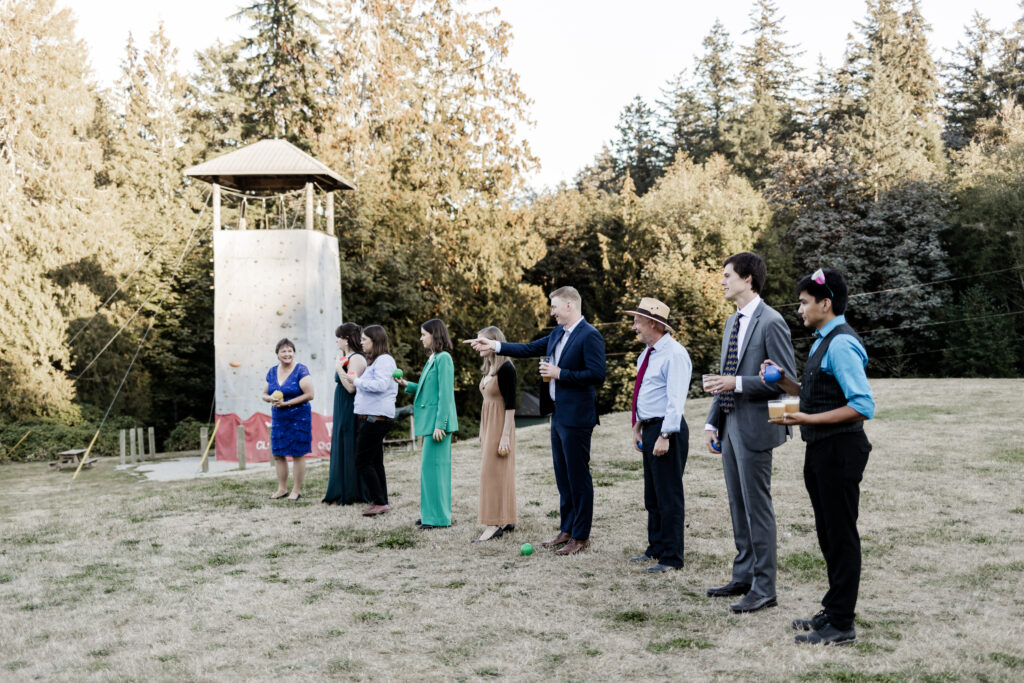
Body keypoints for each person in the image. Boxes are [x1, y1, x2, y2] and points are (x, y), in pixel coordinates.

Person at [762, 268, 874, 646]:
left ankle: (842, 624)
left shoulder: (841, 344)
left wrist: (807, 418)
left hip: (840, 450)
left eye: (804, 302)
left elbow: (862, 405)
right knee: (828, 533)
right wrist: (781, 380)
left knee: (841, 535)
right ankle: (834, 607)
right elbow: (813, 393)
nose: (800, 309)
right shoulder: (821, 341)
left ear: (826, 304)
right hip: (822, 450)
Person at [466, 286, 606, 556]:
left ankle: (580, 536)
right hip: (558, 414)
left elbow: (597, 374)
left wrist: (559, 373)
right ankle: (566, 530)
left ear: (569, 305)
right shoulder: (557, 334)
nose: (551, 312)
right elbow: (528, 348)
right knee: (563, 477)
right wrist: (494, 345)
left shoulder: (590, 335)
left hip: (578, 417)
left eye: (554, 306)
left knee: (578, 477)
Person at [703, 252, 796, 613]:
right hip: (729, 426)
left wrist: (737, 383)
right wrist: (713, 421)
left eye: (727, 275)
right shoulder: (732, 323)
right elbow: (724, 376)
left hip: (758, 427)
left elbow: (784, 379)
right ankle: (743, 575)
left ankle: (765, 587)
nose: (722, 281)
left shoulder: (771, 321)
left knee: (758, 508)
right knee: (737, 505)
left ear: (748, 280)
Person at [625, 298, 692, 573]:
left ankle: (672, 558)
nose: (634, 327)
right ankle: (656, 548)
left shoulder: (674, 354)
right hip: (650, 427)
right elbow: (646, 393)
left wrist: (665, 434)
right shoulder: (647, 354)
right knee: (652, 495)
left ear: (653, 323)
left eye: (637, 321)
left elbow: (676, 400)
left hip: (667, 429)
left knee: (668, 494)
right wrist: (638, 426)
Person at [396, 319, 459, 529]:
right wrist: (406, 384)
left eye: (424, 334)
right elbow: (428, 389)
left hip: (438, 425)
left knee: (435, 471)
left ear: (435, 335)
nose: (421, 338)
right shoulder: (433, 358)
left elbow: (445, 394)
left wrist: (441, 424)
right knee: (428, 470)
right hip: (431, 423)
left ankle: (438, 518)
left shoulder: (444, 359)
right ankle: (430, 514)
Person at [472, 326, 518, 543]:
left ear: (493, 343)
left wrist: (505, 435)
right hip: (488, 425)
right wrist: (483, 430)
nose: (477, 345)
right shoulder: (488, 367)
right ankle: (505, 518)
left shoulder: (506, 369)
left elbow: (511, 405)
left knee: (492, 474)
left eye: (482, 341)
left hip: (501, 425)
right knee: (495, 473)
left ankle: (493, 524)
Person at [352, 325, 399, 517]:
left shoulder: (385, 360)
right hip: (373, 417)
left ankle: (379, 501)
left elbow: (380, 385)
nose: (361, 343)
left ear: (375, 340)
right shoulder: (377, 361)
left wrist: (356, 380)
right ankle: (381, 500)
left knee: (362, 461)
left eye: (364, 339)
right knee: (375, 461)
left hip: (376, 419)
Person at [261, 338, 314, 501]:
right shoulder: (271, 372)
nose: (287, 354)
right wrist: (270, 398)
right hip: (279, 418)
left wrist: (287, 403)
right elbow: (264, 394)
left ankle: (296, 491)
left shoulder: (301, 370)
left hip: (299, 418)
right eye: (283, 351)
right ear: (277, 354)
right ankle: (282, 489)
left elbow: (310, 394)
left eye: (290, 350)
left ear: (294, 353)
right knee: (278, 454)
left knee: (297, 454)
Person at [322, 323, 369, 505]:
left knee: (349, 443)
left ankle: (352, 490)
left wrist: (339, 368)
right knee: (341, 442)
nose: (337, 340)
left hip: (350, 406)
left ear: (346, 339)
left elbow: (351, 387)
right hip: (340, 405)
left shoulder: (356, 358)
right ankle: (339, 488)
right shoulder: (345, 356)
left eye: (339, 337)